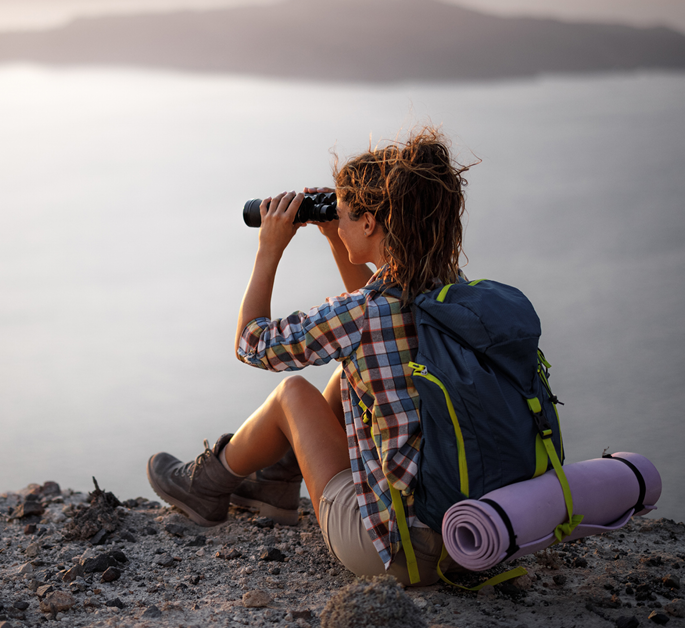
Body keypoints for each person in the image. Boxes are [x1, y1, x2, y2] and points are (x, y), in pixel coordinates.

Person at [147, 126, 470, 585]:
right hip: (474, 536)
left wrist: (268, 251)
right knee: (350, 375)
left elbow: (250, 343)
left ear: (370, 223)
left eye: (344, 215)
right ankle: (277, 480)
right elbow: (377, 309)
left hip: (396, 553)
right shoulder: (458, 296)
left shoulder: (361, 316)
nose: (337, 220)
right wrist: (338, 237)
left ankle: (207, 486)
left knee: (292, 393)